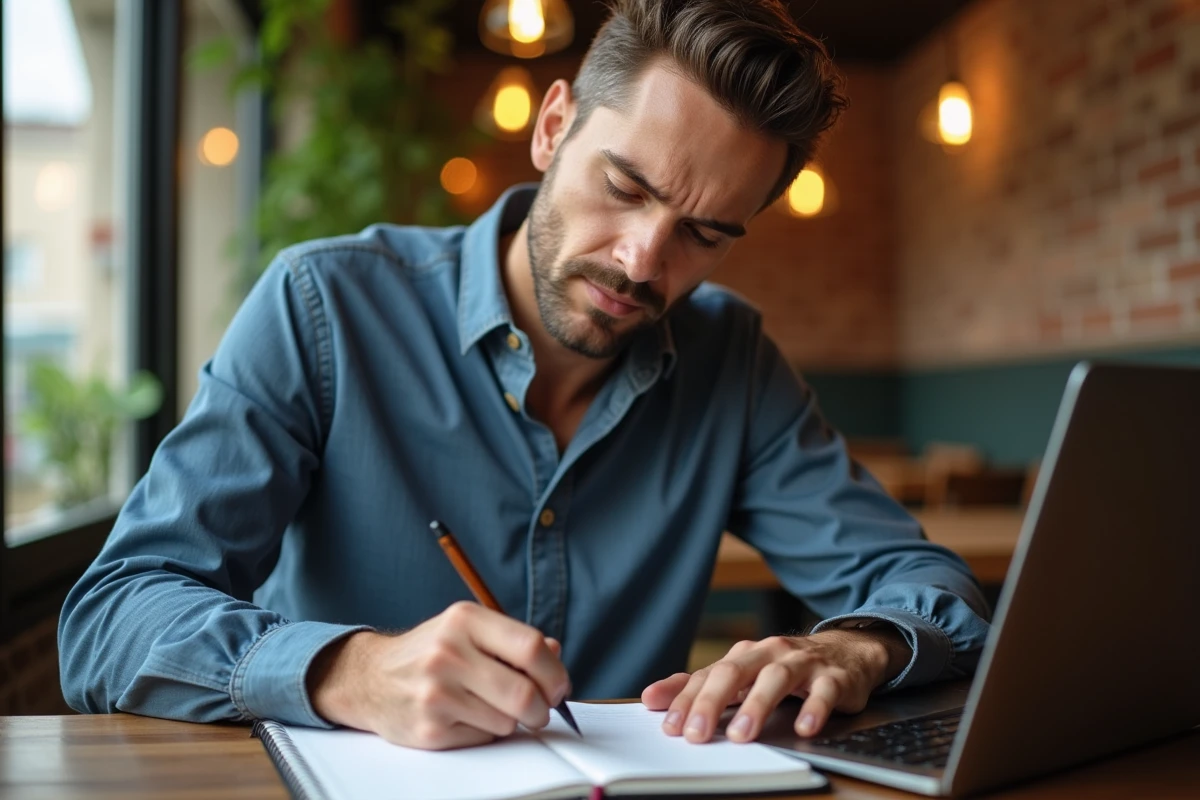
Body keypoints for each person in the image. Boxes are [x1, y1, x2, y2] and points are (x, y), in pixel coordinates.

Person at [59, 0, 990, 751]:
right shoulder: (324, 306)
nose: (641, 259)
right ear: (552, 128)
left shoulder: (732, 361)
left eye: (704, 234)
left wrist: (855, 648)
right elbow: (110, 618)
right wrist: (353, 671)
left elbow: (924, 583)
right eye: (625, 188)